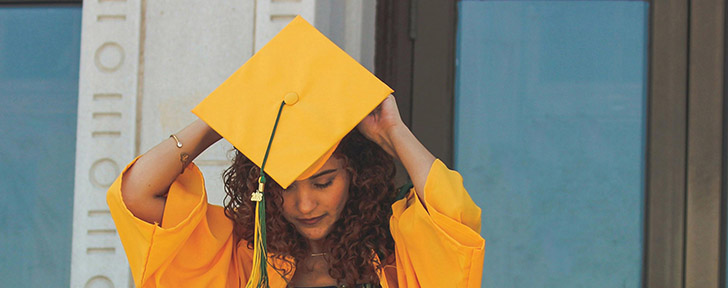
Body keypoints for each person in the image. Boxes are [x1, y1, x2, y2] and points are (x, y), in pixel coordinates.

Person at [106, 16, 483, 288]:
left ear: (357, 177)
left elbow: (453, 218)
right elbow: (137, 193)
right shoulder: (241, 256)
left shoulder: (394, 259)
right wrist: (222, 119)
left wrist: (393, 132)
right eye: (286, 186)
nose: (304, 204)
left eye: (323, 182)